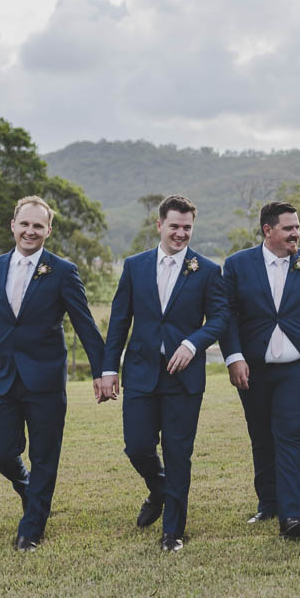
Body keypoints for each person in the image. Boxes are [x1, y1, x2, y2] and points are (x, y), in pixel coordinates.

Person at [0, 195, 106, 551]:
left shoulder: (63, 271)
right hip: (2, 376)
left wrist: (102, 370)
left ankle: (32, 528)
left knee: (45, 456)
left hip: (45, 379)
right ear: (13, 226)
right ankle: (30, 491)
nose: (30, 231)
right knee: (1, 452)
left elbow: (85, 325)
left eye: (38, 225)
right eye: (25, 224)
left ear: (48, 230)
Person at [100, 195, 228, 552]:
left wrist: (193, 343)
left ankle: (173, 531)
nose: (181, 233)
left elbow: (219, 318)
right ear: (159, 225)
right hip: (140, 373)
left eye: (187, 227)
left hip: (183, 379)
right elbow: (120, 321)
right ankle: (158, 489)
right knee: (137, 446)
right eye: (174, 226)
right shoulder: (135, 266)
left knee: (177, 452)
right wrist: (109, 368)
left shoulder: (207, 270)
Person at [222, 202, 300, 539]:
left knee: (290, 434)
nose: (296, 233)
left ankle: (292, 516)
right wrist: (234, 357)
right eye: (288, 228)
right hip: (253, 367)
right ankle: (269, 503)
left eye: (297, 227)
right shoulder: (237, 265)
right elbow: (227, 314)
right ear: (267, 230)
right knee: (261, 435)